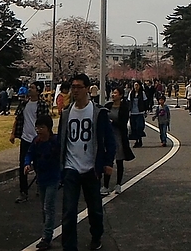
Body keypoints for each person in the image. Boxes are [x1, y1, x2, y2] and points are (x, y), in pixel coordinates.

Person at [58, 73, 115, 251]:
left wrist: (107, 163)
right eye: (73, 87)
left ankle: (96, 236)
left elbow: (109, 141)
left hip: (91, 168)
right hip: (70, 167)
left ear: (87, 89)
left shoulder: (98, 112)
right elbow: (61, 138)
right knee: (68, 211)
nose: (75, 90)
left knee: (95, 209)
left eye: (78, 87)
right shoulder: (67, 113)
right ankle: (69, 246)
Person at [23, 115, 60, 250]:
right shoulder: (36, 141)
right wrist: (27, 164)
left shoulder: (55, 141)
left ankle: (47, 236)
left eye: (42, 127)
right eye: (37, 127)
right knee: (44, 208)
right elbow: (29, 154)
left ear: (49, 128)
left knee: (48, 207)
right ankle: (46, 231)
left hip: (53, 178)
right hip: (42, 179)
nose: (38, 130)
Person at [10, 83, 50, 203]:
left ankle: (41, 184)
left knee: (40, 164)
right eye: (29, 87)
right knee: (23, 165)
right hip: (25, 138)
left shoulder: (42, 105)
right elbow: (17, 119)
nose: (29, 90)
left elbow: (47, 122)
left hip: (38, 139)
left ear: (38, 91)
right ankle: (23, 192)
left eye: (32, 88)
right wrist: (13, 134)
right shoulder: (24, 104)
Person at [102, 86, 135, 195]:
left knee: (119, 161)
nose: (113, 94)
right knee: (108, 160)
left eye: (115, 93)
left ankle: (118, 184)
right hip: (108, 136)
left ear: (120, 95)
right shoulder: (108, 106)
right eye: (112, 92)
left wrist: (112, 122)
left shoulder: (124, 108)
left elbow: (123, 123)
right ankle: (105, 185)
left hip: (119, 136)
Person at [128, 81, 147, 148]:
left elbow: (145, 102)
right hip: (133, 112)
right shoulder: (131, 93)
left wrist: (145, 111)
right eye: (135, 85)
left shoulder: (142, 93)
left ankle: (140, 140)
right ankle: (137, 141)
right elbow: (129, 102)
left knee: (139, 126)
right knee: (134, 128)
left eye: (137, 85)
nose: (136, 86)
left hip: (140, 112)